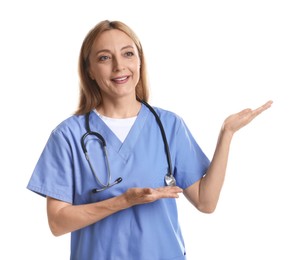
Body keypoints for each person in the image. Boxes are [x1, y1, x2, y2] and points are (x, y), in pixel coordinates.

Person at [27, 20, 273, 260]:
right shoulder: (68, 136)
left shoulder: (168, 125)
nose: (118, 66)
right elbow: (57, 223)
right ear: (89, 70)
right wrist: (123, 201)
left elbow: (206, 202)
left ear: (140, 61)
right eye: (104, 57)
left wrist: (226, 134)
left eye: (128, 54)